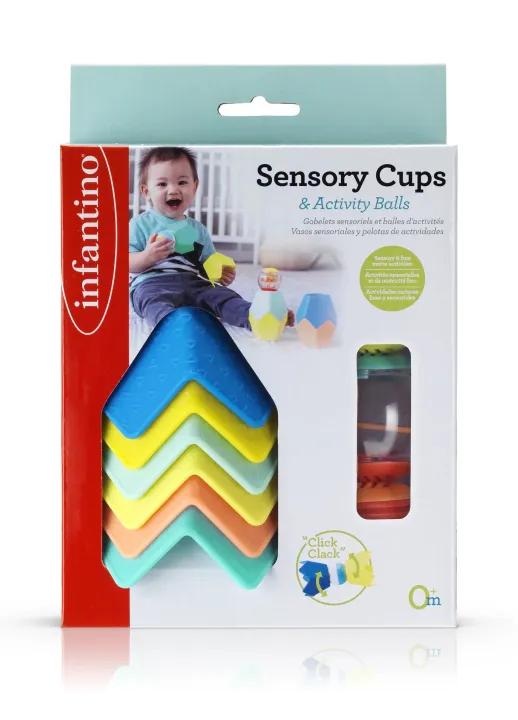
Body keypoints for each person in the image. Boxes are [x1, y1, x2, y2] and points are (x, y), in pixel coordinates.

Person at [129, 146, 294, 329]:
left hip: (193, 282)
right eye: (162, 184)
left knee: (223, 296)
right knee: (153, 302)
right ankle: (172, 325)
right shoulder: (139, 224)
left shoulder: (198, 230)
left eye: (182, 182)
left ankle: (260, 316)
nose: (174, 190)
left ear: (195, 187)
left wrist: (219, 273)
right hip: (152, 284)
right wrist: (147, 256)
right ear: (146, 191)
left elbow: (207, 264)